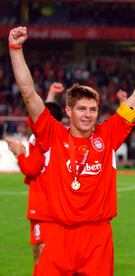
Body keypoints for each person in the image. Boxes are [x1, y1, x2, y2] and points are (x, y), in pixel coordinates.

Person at [9, 26, 135, 275]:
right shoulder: (52, 134)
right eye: (81, 109)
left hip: (97, 237)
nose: (88, 115)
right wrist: (16, 49)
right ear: (68, 111)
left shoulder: (109, 134)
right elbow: (27, 92)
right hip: (59, 234)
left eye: (93, 109)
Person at [4, 83, 64, 276]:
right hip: (55, 205)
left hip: (42, 206)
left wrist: (19, 154)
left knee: (41, 253)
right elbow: (45, 111)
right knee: (49, 253)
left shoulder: (40, 140)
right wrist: (52, 94)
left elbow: (31, 169)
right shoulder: (58, 136)